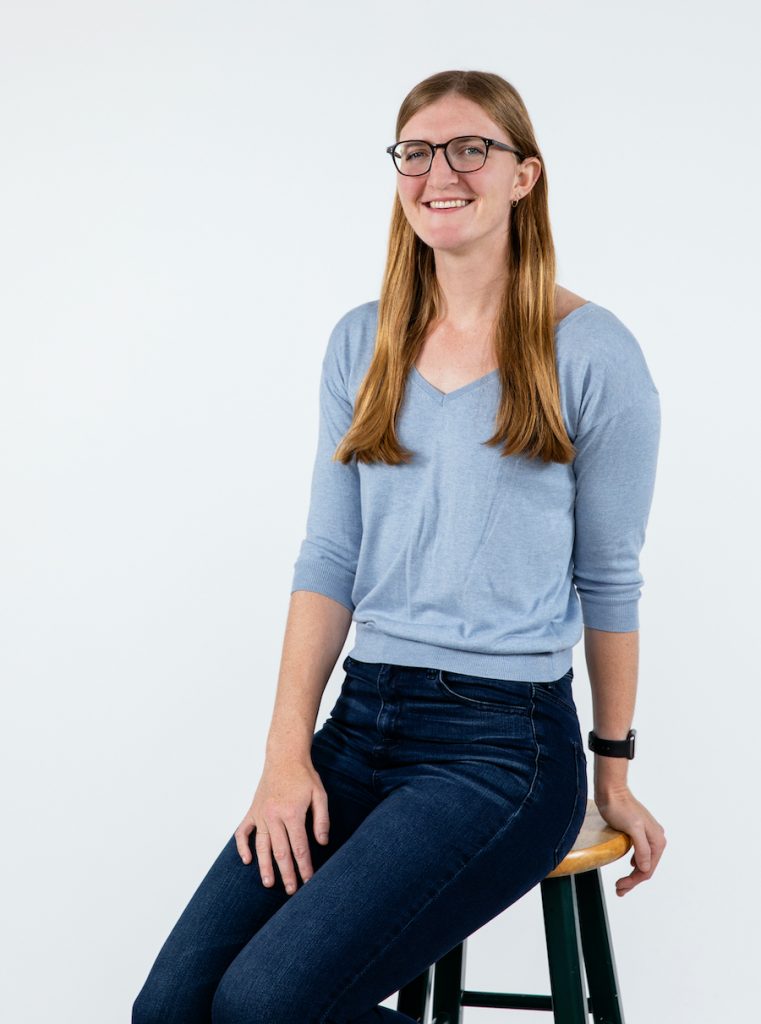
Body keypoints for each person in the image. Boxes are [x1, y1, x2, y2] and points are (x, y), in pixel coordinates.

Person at [132, 68, 667, 1024]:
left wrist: (613, 771)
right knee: (171, 1008)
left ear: (523, 177)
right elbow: (327, 561)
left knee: (268, 1007)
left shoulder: (591, 352)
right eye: (415, 153)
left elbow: (611, 576)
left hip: (503, 750)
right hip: (359, 724)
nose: (438, 173)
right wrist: (284, 756)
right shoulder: (363, 342)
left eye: (471, 149)